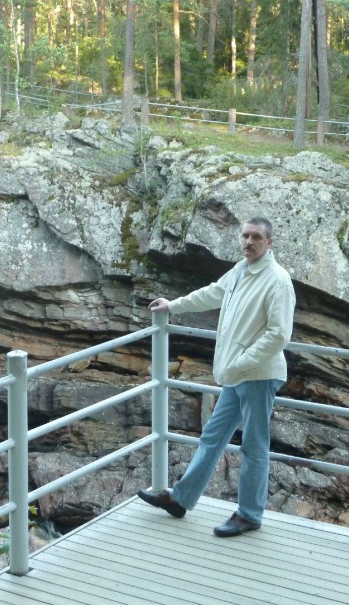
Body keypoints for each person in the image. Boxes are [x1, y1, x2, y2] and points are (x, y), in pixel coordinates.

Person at [138, 217, 296, 537]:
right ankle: (180, 499)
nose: (248, 242)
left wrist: (241, 363)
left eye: (256, 237)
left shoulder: (277, 280)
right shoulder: (240, 270)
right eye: (245, 236)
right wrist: (173, 306)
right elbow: (212, 293)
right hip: (238, 374)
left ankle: (249, 515)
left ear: (270, 242)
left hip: (258, 375)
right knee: (212, 437)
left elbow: (279, 335)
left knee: (253, 447)